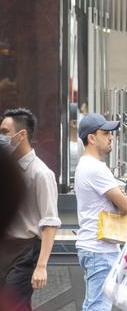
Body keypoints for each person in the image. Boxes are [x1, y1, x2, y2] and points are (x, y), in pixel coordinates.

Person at [0, 109, 60, 310]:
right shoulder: (7, 170)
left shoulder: (41, 174)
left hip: (25, 252)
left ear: (22, 134)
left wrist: (41, 266)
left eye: (5, 132)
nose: (1, 138)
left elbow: (50, 222)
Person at [74, 113, 127, 311]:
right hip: (98, 249)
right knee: (97, 306)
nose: (111, 138)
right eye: (105, 133)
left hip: (97, 247)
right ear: (91, 138)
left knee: (96, 304)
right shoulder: (95, 168)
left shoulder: (86, 165)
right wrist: (124, 199)